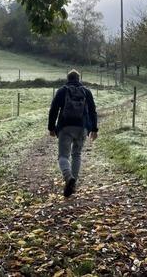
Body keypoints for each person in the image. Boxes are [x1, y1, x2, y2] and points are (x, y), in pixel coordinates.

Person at [48, 69, 98, 197]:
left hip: (65, 127)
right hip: (82, 127)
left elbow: (53, 109)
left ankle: (68, 177)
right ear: (79, 79)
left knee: (63, 156)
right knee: (76, 155)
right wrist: (94, 129)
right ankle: (73, 183)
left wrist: (51, 127)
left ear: (68, 78)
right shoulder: (86, 92)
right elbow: (93, 110)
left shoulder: (62, 91)